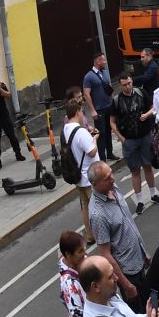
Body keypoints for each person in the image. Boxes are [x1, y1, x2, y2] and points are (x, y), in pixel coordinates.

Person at [88, 162, 149, 310]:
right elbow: (106, 254)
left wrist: (144, 251)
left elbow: (129, 223)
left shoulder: (113, 188)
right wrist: (126, 285)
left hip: (139, 260)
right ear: (95, 184)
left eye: (111, 173)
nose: (113, 179)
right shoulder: (98, 214)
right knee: (139, 316)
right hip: (128, 272)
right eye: (107, 178)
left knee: (150, 308)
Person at [106, 70, 158, 213]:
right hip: (129, 140)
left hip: (145, 136)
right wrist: (121, 138)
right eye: (125, 85)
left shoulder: (141, 93)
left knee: (148, 166)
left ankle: (154, 194)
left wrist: (146, 115)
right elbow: (112, 121)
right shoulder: (116, 101)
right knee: (135, 171)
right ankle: (140, 200)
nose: (128, 86)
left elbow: (153, 107)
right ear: (120, 86)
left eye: (129, 83)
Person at [62, 96, 99, 233]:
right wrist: (94, 139)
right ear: (78, 112)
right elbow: (92, 152)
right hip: (89, 177)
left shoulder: (66, 129)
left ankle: (90, 235)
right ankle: (102, 235)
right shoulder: (81, 132)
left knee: (85, 207)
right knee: (98, 209)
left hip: (78, 176)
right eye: (82, 111)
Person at [81, 54, 114, 161]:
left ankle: (110, 153)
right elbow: (86, 94)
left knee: (109, 130)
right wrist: (92, 110)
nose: (105, 62)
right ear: (97, 61)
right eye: (103, 60)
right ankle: (102, 157)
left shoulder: (105, 73)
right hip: (99, 109)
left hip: (108, 106)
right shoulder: (89, 77)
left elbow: (109, 89)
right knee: (101, 133)